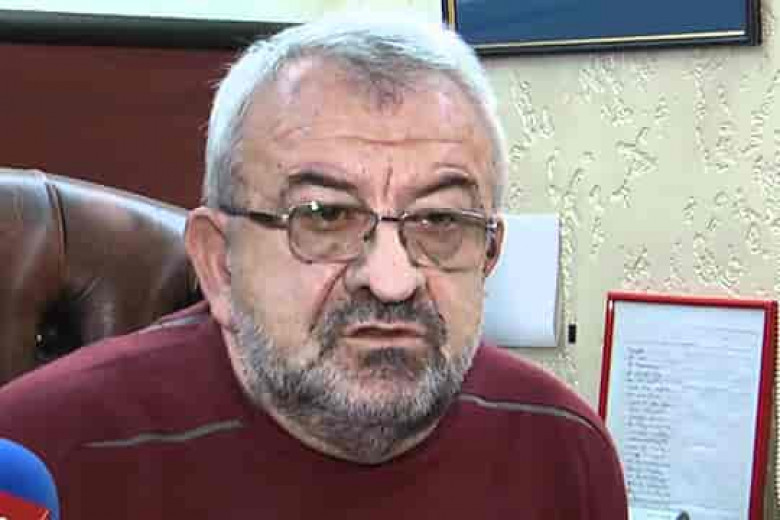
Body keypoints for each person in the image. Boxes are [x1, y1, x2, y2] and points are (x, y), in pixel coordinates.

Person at [0, 14, 628, 519]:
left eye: (439, 220)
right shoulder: (40, 455)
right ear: (219, 263)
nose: (391, 280)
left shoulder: (559, 450)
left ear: (488, 255)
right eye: (326, 216)